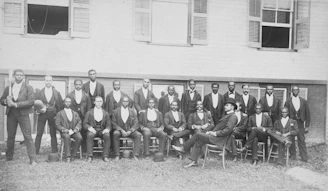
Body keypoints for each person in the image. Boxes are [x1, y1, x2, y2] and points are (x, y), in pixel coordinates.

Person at [172, 98, 238, 168]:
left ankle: (183, 148)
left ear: (232, 107)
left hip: (218, 139)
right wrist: (211, 132)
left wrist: (215, 133)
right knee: (199, 141)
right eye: (225, 105)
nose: (225, 106)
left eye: (227, 105)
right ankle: (194, 162)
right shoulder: (228, 115)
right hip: (216, 137)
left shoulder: (233, 117)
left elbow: (227, 130)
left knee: (197, 134)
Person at [0, 69, 37, 165]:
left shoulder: (28, 87)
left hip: (23, 114)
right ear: (14, 76)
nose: (19, 76)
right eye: (17, 75)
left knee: (27, 136)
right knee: (10, 136)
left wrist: (15, 104)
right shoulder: (9, 88)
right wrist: (6, 101)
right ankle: (9, 157)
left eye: (21, 75)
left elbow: (30, 101)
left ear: (23, 77)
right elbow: (2, 100)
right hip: (11, 114)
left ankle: (33, 159)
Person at [34, 75, 63, 154]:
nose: (48, 82)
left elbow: (60, 105)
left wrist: (58, 116)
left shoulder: (57, 93)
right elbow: (35, 103)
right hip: (42, 114)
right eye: (46, 80)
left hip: (53, 114)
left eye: (50, 80)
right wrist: (38, 110)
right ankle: (35, 151)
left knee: (53, 133)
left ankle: (54, 150)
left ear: (52, 81)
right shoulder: (39, 92)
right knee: (39, 132)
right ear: (44, 81)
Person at [284, 85, 310, 162]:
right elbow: (285, 113)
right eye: (293, 90)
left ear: (299, 91)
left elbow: (307, 113)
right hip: (292, 123)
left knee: (301, 140)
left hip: (301, 123)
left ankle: (304, 157)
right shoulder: (288, 101)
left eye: (296, 90)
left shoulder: (303, 101)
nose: (295, 91)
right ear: (292, 92)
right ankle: (293, 155)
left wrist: (307, 125)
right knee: (291, 139)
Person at [112, 96, 142, 160]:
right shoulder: (116, 111)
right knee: (115, 134)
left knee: (138, 135)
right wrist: (121, 130)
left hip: (129, 130)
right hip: (120, 130)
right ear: (121, 102)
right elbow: (113, 123)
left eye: (126, 101)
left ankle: (135, 155)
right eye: (124, 101)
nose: (125, 103)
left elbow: (136, 123)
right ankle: (117, 155)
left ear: (128, 102)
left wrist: (130, 131)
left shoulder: (132, 111)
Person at [83, 96, 111, 162]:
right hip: (93, 129)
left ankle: (105, 156)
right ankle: (90, 156)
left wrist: (107, 129)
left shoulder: (106, 113)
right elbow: (85, 124)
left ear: (102, 103)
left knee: (107, 135)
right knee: (90, 135)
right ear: (94, 102)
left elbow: (109, 125)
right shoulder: (89, 112)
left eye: (100, 101)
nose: (99, 103)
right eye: (97, 101)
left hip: (102, 130)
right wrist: (89, 128)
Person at [67, 79, 92, 152]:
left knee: (84, 131)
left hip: (83, 115)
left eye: (79, 85)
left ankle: (83, 149)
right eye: (76, 85)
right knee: (74, 130)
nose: (78, 86)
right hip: (73, 116)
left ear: (82, 85)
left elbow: (89, 107)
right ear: (74, 85)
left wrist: (87, 117)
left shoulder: (86, 95)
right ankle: (72, 147)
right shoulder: (70, 95)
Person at [55, 97, 83, 162]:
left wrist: (75, 130)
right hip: (65, 132)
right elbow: (57, 124)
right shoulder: (60, 113)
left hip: (74, 131)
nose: (68, 103)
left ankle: (73, 154)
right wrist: (65, 130)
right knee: (67, 137)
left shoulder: (75, 113)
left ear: (71, 103)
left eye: (69, 102)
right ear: (64, 103)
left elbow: (79, 122)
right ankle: (67, 156)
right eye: (66, 102)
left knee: (79, 137)